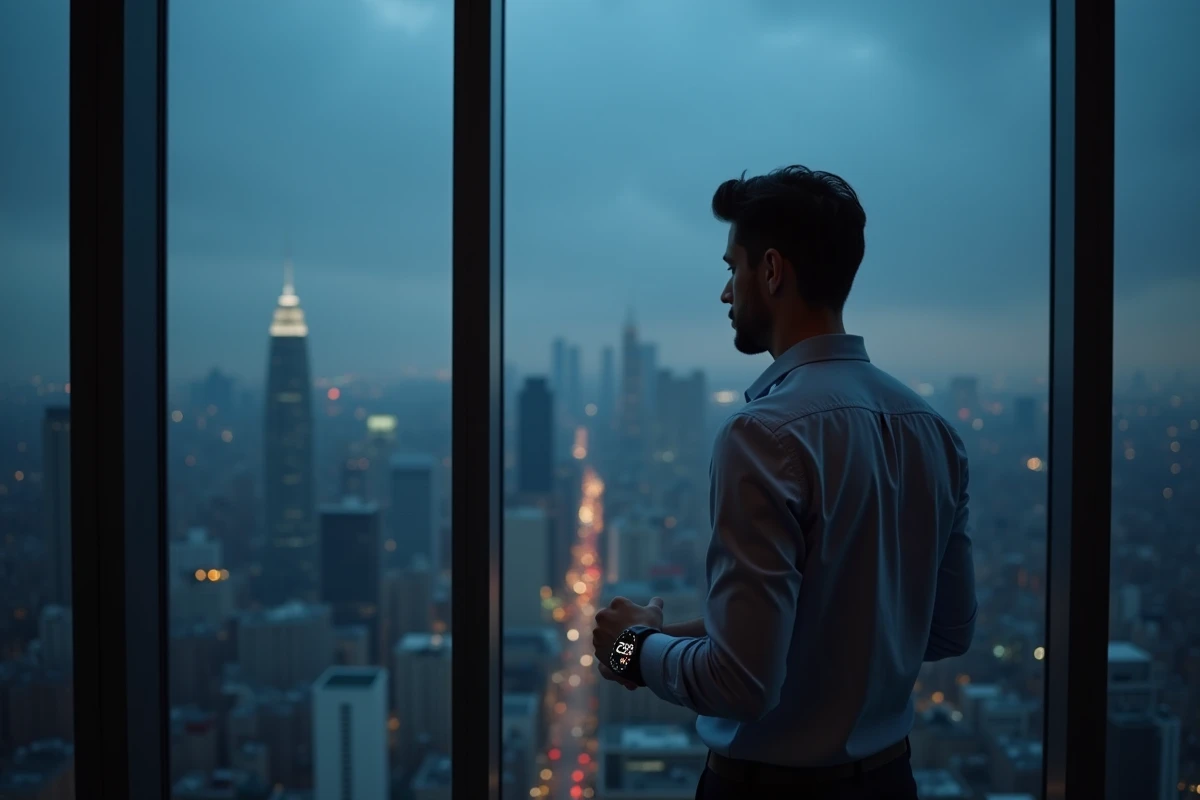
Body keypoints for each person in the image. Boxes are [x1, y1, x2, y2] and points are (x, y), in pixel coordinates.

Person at [592, 165, 977, 799]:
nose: (725, 293)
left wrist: (630, 649)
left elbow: (742, 683)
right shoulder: (932, 431)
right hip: (890, 783)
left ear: (771, 271)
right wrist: (676, 636)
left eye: (731, 268)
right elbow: (944, 630)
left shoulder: (764, 435)